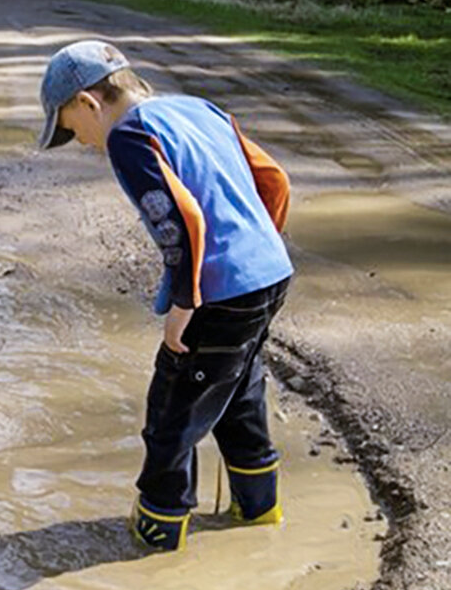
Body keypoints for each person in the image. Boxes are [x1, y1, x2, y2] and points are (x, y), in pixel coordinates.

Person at [37, 40, 293, 551]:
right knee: (238, 394)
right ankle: (259, 512)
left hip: (217, 293)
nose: (83, 143)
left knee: (171, 415)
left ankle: (155, 539)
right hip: (271, 274)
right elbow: (275, 180)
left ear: (89, 103)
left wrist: (183, 306)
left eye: (72, 129)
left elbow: (183, 222)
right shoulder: (196, 108)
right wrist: (259, 253)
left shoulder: (129, 137)